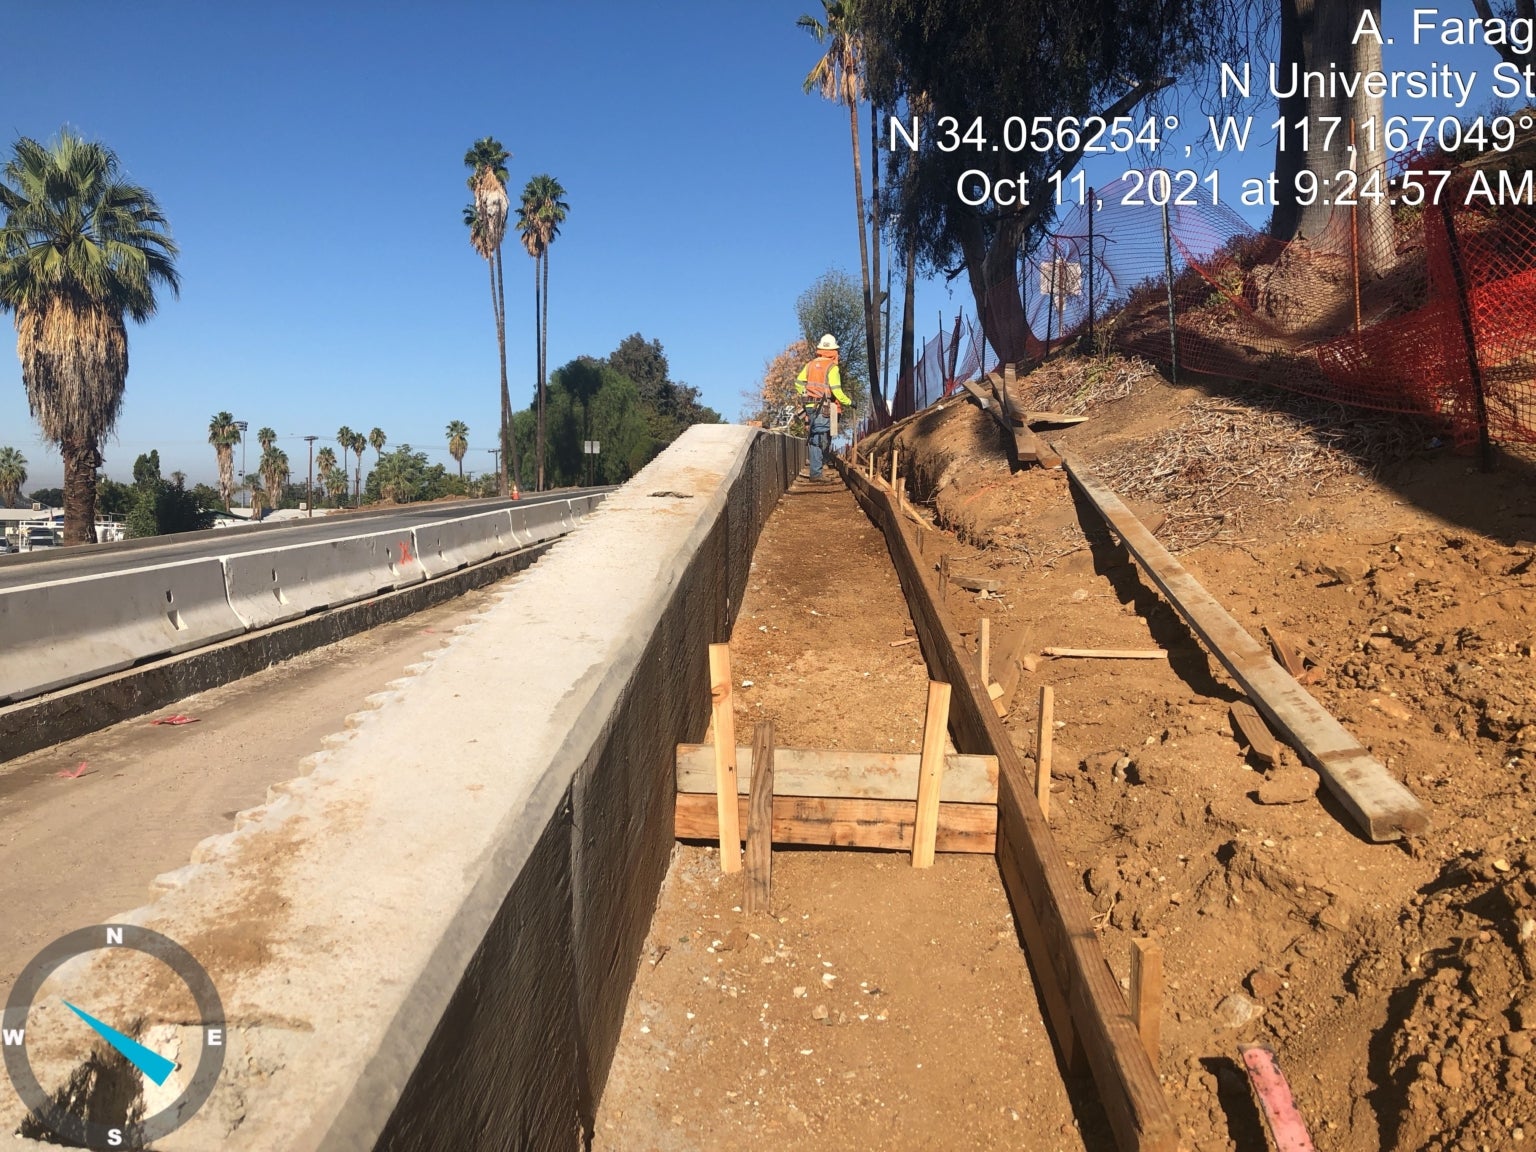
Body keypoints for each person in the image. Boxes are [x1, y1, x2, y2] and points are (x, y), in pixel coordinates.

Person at [795, 334, 853, 481]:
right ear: (833, 351)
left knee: (817, 436)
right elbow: (836, 390)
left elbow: (798, 382)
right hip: (824, 408)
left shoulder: (810, 365)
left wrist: (805, 394)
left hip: (810, 406)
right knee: (820, 438)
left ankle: (818, 469)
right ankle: (816, 473)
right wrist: (849, 402)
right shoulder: (832, 367)